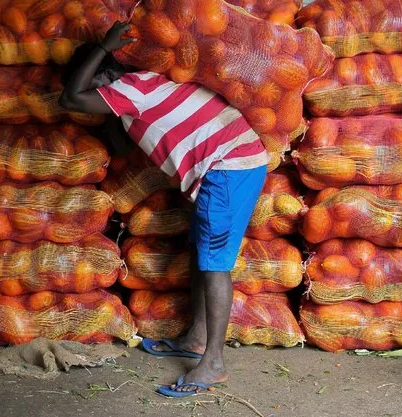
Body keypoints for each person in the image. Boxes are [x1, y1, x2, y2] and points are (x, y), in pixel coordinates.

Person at [59, 22, 270, 398]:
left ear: (105, 76)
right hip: (228, 163)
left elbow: (70, 97)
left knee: (216, 264)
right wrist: (109, 108)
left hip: (230, 164)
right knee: (201, 252)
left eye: (96, 81)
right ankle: (197, 339)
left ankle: (214, 363)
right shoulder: (130, 100)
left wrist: (104, 47)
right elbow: (123, 149)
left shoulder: (131, 87)